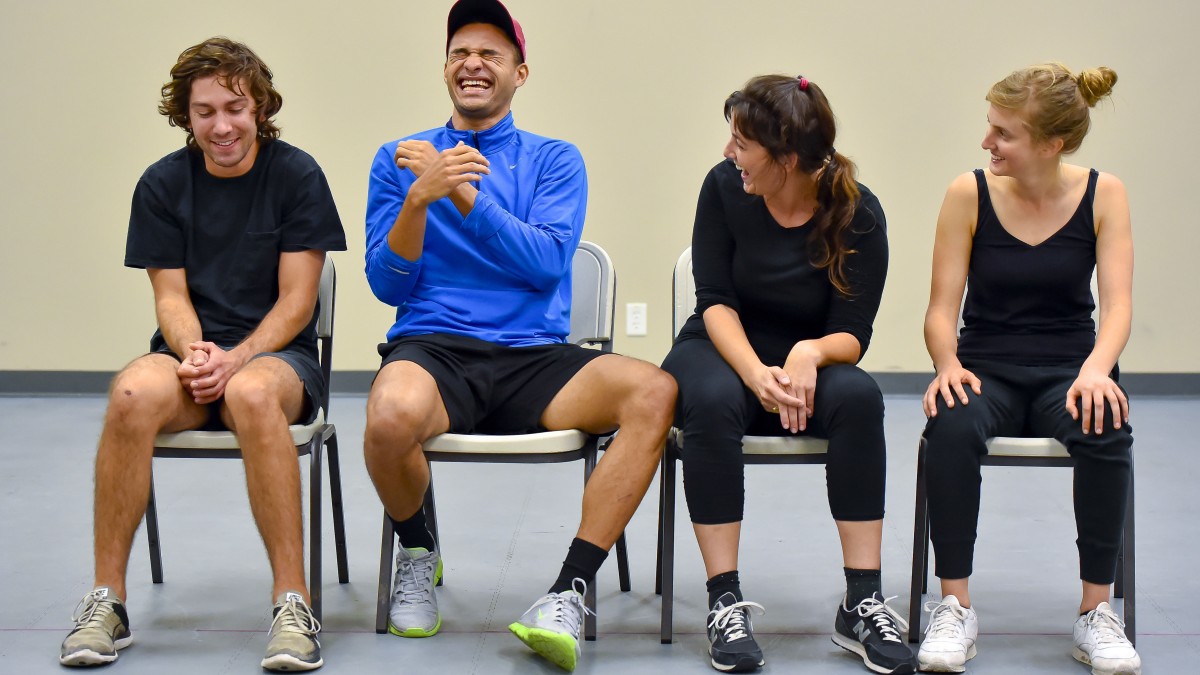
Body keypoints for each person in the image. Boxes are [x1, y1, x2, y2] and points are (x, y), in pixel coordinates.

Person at [362, 1, 674, 671]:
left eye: (490, 54)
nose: (472, 63)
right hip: (436, 349)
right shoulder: (400, 159)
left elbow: (542, 264)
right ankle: (418, 551)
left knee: (653, 391)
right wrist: (418, 198)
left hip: (536, 358)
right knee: (388, 416)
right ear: (446, 68)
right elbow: (387, 285)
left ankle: (567, 590)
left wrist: (464, 195)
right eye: (459, 52)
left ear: (519, 73)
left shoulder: (556, 160)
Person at [57, 38, 346, 672]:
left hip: (276, 359)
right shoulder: (162, 184)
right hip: (191, 360)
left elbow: (298, 303)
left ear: (261, 108)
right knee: (131, 392)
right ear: (185, 115)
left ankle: (292, 604)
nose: (222, 126)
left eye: (236, 109)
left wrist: (236, 359)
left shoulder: (296, 175)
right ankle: (107, 601)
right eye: (206, 111)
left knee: (251, 393)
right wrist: (197, 356)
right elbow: (170, 295)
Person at [660, 74, 917, 674]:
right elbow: (715, 299)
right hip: (721, 346)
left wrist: (807, 354)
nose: (729, 153)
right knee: (714, 401)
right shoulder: (724, 187)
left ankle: (861, 601)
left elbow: (854, 332)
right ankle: (724, 598)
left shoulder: (858, 211)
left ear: (788, 159)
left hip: (812, 355)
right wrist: (756, 373)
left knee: (859, 399)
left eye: (742, 144)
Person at [917, 63, 1138, 675]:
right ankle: (955, 605)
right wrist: (947, 364)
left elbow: (1118, 305)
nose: (987, 142)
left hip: (1071, 367)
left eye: (1003, 133)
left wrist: (1097, 370)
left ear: (1052, 144)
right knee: (952, 428)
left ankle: (1097, 612)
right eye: (990, 127)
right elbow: (940, 309)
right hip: (985, 366)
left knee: (1104, 427)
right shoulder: (969, 192)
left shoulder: (1104, 193)